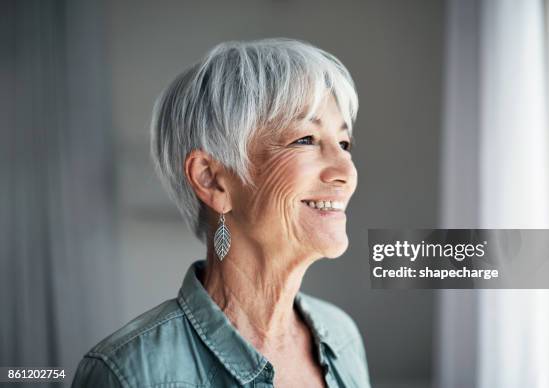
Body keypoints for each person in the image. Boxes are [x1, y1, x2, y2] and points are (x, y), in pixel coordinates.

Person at [72, 38, 370, 387]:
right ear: (211, 179)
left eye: (344, 144)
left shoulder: (343, 337)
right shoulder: (128, 372)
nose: (346, 172)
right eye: (306, 139)